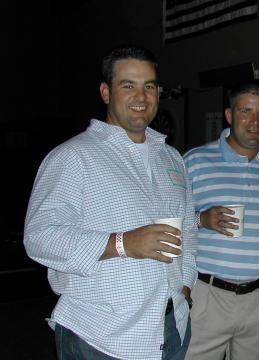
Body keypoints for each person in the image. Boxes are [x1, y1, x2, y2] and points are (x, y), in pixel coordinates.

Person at [23, 45, 197, 360]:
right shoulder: (72, 157)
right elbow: (40, 237)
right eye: (127, 85)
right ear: (106, 92)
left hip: (172, 328)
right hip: (101, 338)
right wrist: (121, 243)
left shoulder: (171, 158)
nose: (141, 96)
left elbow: (189, 229)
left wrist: (185, 285)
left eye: (150, 86)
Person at [183, 82, 259, 360]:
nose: (255, 121)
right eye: (246, 111)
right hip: (207, 295)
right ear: (229, 115)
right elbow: (166, 223)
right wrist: (200, 219)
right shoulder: (195, 162)